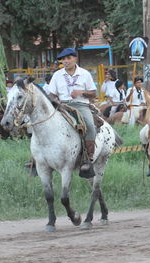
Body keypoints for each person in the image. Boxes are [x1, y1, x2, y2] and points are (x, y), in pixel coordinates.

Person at [48, 48, 97, 177]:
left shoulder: (84, 74)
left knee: (90, 126)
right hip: (62, 105)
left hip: (80, 105)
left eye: (68, 58)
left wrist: (81, 92)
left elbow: (93, 93)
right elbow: (51, 94)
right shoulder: (57, 75)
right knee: (44, 123)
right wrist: (56, 100)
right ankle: (37, 158)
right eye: (63, 59)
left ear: (75, 58)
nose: (65, 61)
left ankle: (88, 158)